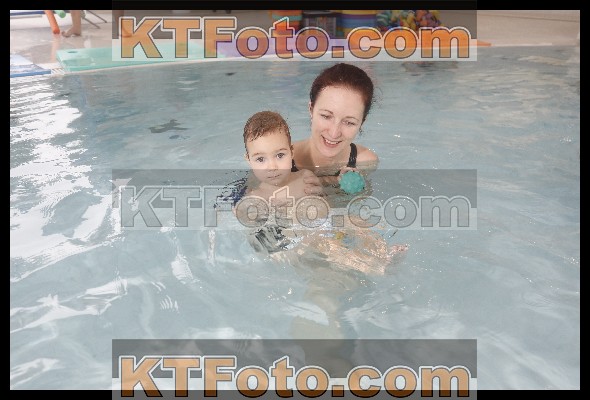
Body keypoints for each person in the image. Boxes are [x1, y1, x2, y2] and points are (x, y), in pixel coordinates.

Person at [235, 111, 407, 275]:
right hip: (304, 235)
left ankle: (383, 250)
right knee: (327, 246)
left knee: (355, 221)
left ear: (291, 152)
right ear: (248, 159)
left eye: (280, 155)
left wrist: (339, 179)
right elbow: (248, 219)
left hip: (329, 220)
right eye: (260, 159)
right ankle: (375, 267)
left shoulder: (304, 175)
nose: (272, 166)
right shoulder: (257, 196)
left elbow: (324, 184)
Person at [292, 63, 379, 184]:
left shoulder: (366, 163)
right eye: (326, 116)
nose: (334, 133)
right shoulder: (278, 161)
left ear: (362, 122)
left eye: (349, 122)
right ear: (311, 110)